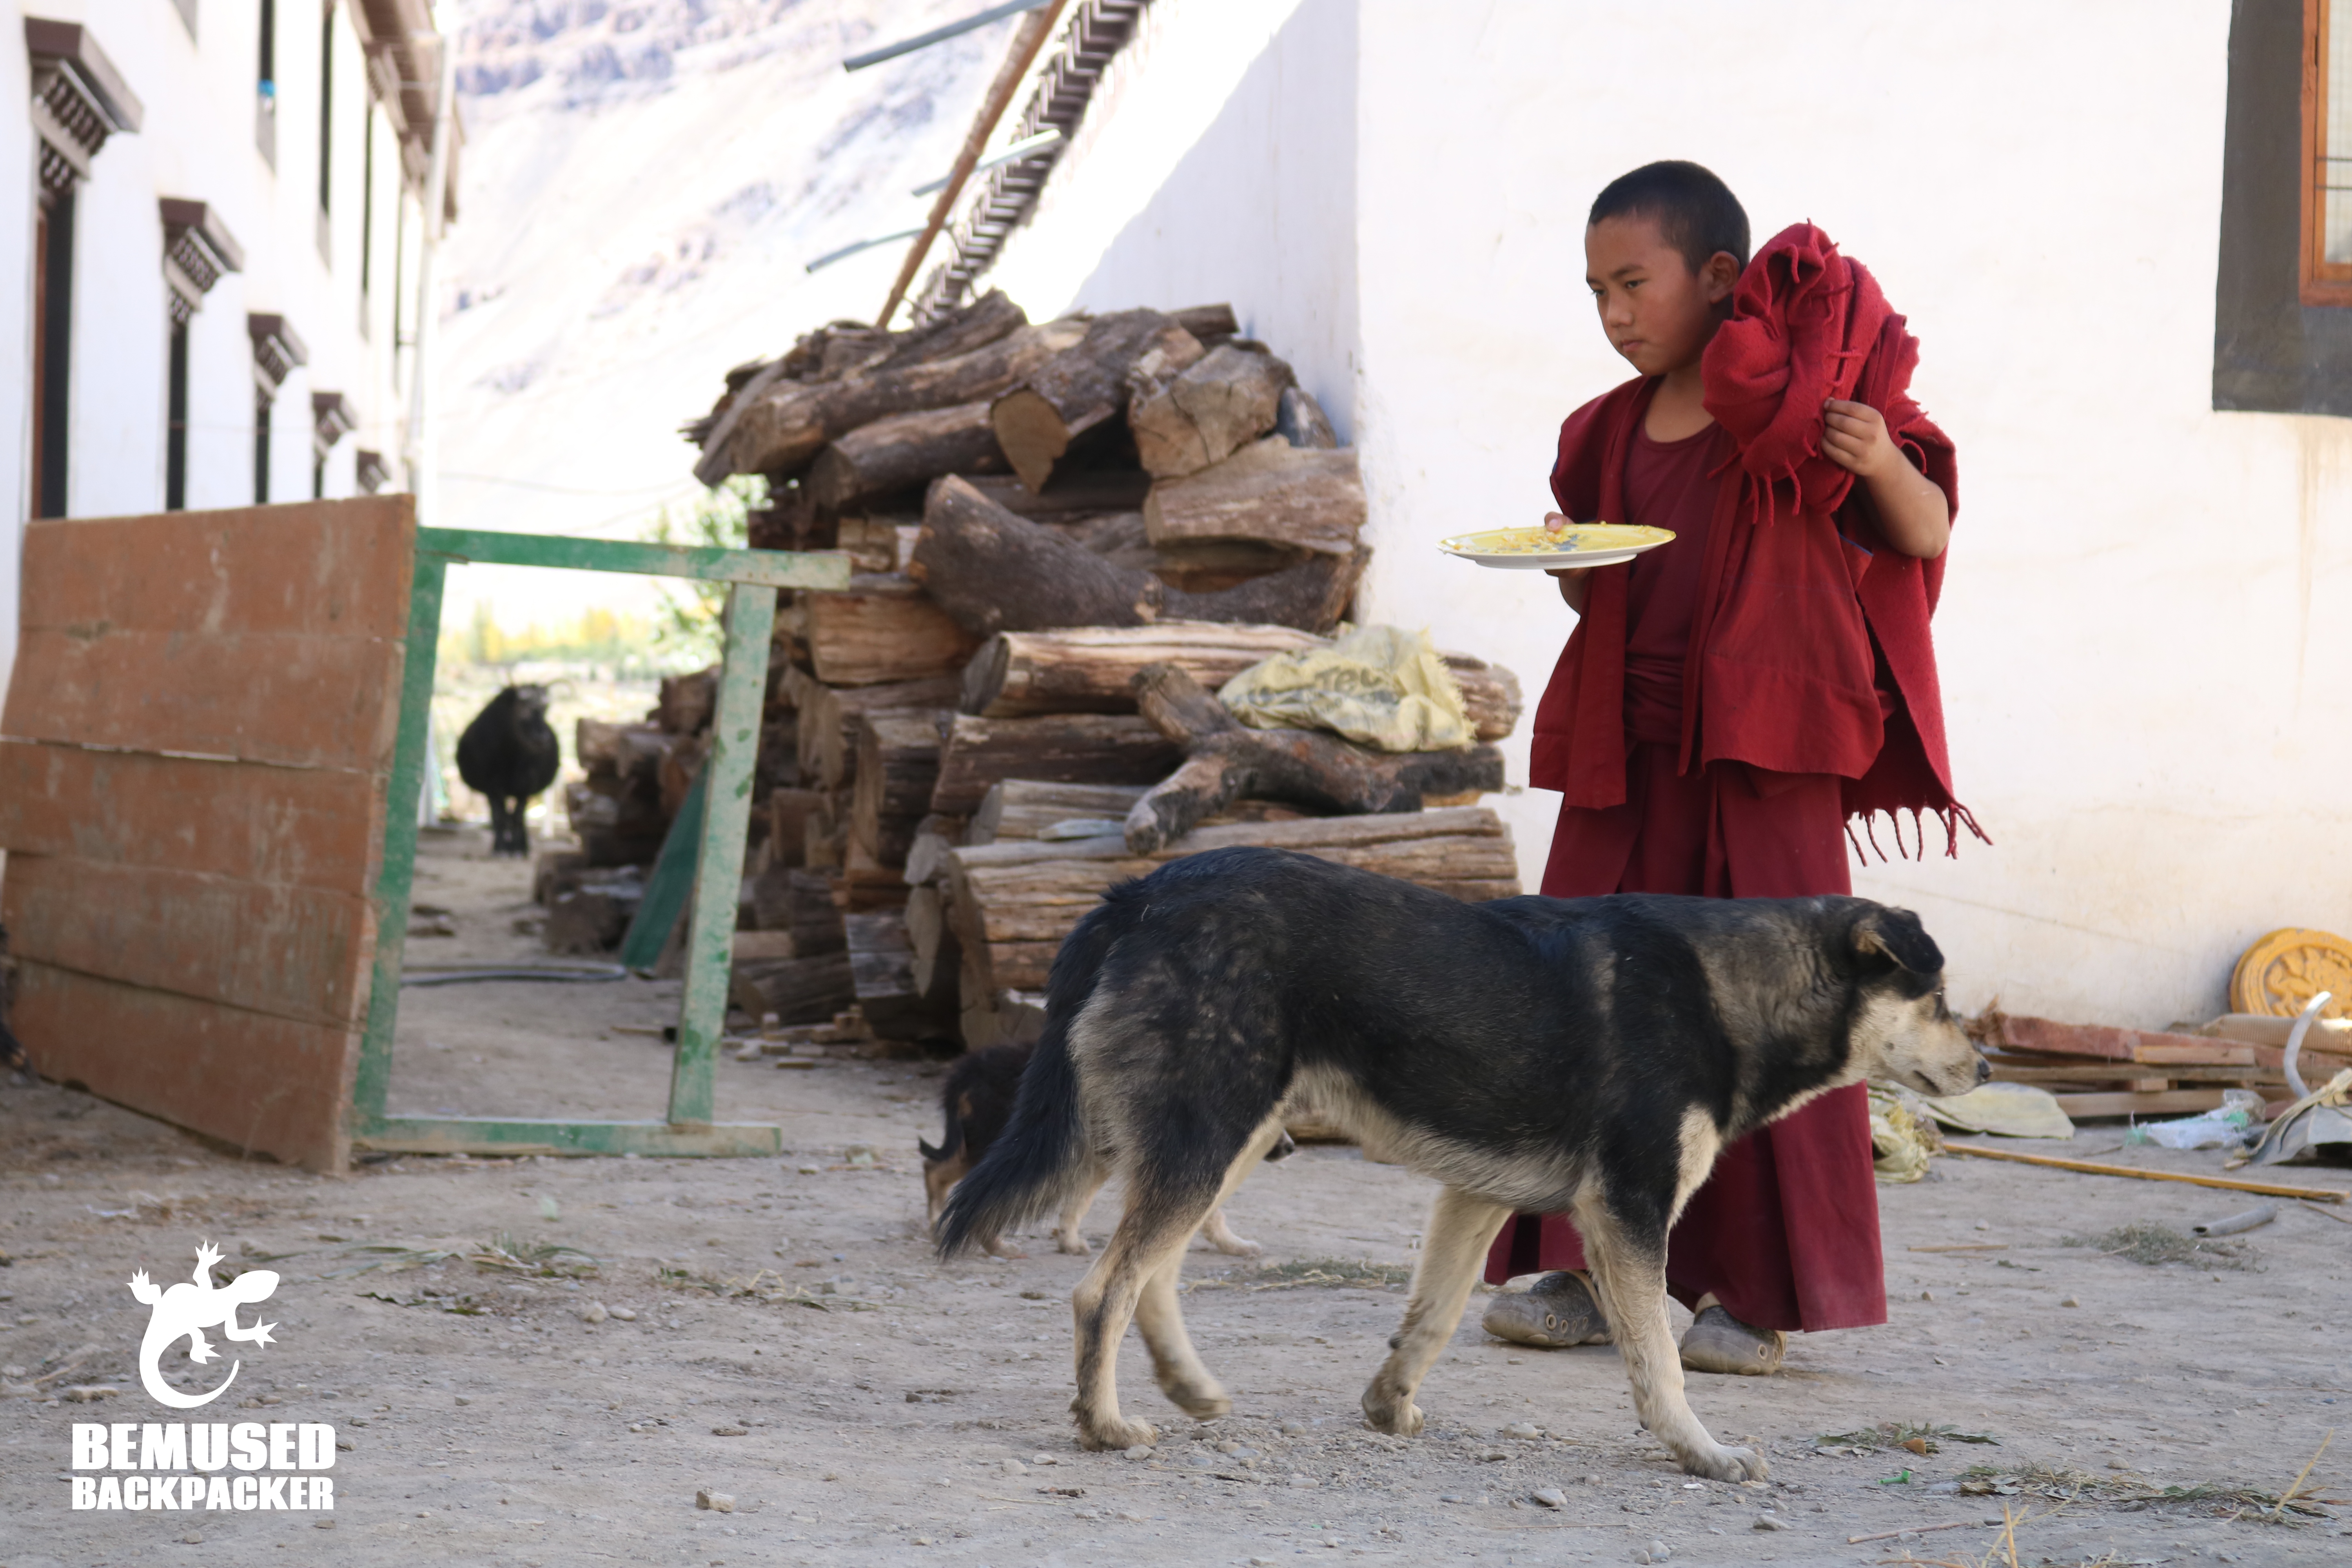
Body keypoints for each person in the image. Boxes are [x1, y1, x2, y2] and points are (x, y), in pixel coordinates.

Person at [1480, 161, 1976, 1374]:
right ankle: (1593, 1270)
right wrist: (1568, 562)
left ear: (1718, 277)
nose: (1614, 315)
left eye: (1634, 284)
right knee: (1584, 988)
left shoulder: (1813, 414)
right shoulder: (1602, 431)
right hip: (1634, 747)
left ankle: (1756, 1298)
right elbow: (1599, 585)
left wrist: (1879, 464)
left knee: (1782, 1003)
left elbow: (1924, 534)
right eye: (1596, 292)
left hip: (1769, 751)